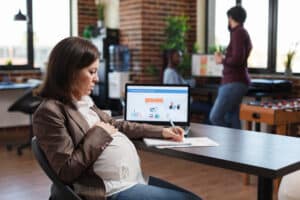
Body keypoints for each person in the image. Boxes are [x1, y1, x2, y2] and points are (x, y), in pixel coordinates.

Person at [33, 37, 201, 200]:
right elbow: (65, 171)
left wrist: (162, 131)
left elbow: (118, 125)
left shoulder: (84, 102)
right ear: (70, 72)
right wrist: (99, 133)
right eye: (91, 72)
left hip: (131, 181)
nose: (97, 79)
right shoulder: (49, 112)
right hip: (107, 191)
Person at [209, 5, 252, 129]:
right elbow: (240, 56)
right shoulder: (242, 32)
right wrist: (225, 58)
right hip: (237, 81)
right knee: (231, 117)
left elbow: (238, 59)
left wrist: (221, 59)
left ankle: (229, 142)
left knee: (215, 117)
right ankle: (234, 146)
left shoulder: (238, 32)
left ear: (230, 17)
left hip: (233, 82)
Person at [163, 49, 211, 124]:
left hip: (183, 103)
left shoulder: (172, 71)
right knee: (209, 109)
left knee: (206, 105)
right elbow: (177, 91)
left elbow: (183, 83)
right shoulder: (170, 73)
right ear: (170, 58)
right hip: (182, 104)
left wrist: (195, 81)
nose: (180, 58)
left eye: (181, 56)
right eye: (178, 56)